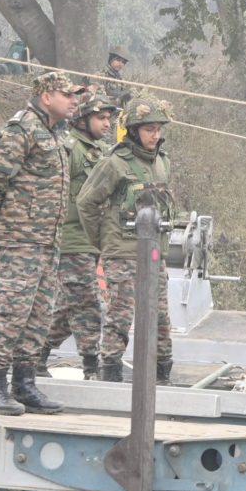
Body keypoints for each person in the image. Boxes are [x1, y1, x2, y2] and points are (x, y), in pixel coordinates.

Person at [0, 71, 85, 415]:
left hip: (47, 237)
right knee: (16, 311)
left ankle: (24, 385)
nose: (73, 101)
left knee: (39, 313)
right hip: (20, 236)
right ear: (46, 96)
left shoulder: (58, 133)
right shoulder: (21, 129)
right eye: (67, 95)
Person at [76, 94, 175, 385]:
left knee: (161, 316)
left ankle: (162, 376)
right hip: (123, 253)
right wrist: (104, 242)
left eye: (158, 129)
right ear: (133, 130)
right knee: (121, 315)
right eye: (148, 129)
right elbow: (86, 202)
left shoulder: (162, 162)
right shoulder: (115, 163)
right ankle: (111, 374)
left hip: (154, 253)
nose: (155, 135)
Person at [39, 87, 116, 380]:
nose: (107, 124)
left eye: (109, 118)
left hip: (92, 240)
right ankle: (92, 368)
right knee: (88, 304)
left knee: (70, 307)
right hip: (71, 240)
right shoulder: (69, 148)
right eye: (101, 117)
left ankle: (35, 354)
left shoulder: (99, 151)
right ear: (83, 118)